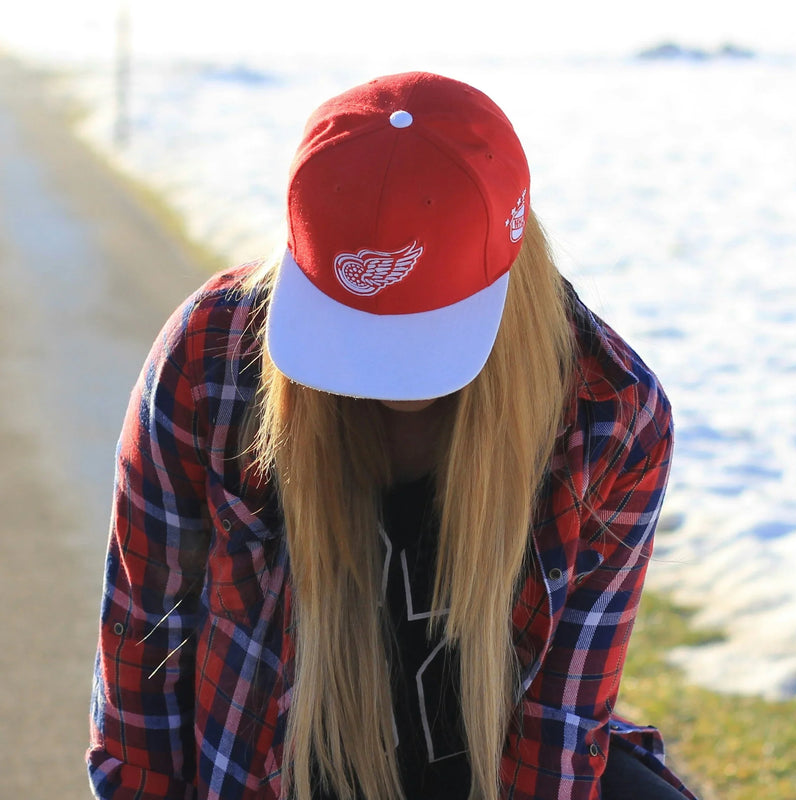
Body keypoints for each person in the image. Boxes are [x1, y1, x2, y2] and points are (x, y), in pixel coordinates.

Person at [87, 72, 698, 800]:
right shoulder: (209, 359)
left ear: (512, 266)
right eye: (353, 332)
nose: (388, 383)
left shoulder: (612, 414)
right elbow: (143, 645)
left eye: (423, 335)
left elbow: (561, 727)